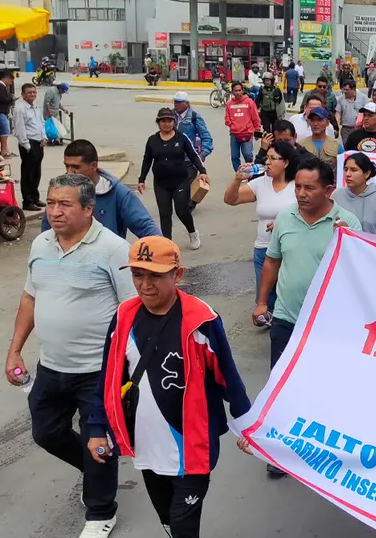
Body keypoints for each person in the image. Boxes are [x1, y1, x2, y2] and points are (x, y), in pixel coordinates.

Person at [86, 236, 252, 538]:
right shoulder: (124, 317)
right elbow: (108, 378)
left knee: (183, 531)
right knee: (169, 522)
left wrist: (249, 428)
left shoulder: (201, 320)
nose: (145, 285)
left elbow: (228, 377)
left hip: (192, 448)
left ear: (177, 274)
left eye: (155, 275)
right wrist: (97, 427)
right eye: (138, 274)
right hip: (147, 446)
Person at [5, 174, 134, 538]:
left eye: (65, 204)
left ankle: (101, 511)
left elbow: (131, 311)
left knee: (99, 440)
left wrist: (130, 369)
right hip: (51, 366)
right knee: (46, 432)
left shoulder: (112, 249)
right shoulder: (41, 243)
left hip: (98, 370)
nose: (55, 212)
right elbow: (30, 298)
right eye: (50, 203)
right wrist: (15, 348)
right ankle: (97, 471)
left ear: (88, 209)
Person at [254, 159, 361, 477]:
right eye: (298, 186)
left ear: (329, 190)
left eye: (308, 188)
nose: (300, 193)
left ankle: (327, 449)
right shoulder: (285, 217)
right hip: (287, 318)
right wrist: (262, 302)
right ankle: (280, 452)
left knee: (326, 387)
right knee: (281, 385)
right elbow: (272, 261)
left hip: (329, 325)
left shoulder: (348, 223)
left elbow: (359, 272)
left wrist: (349, 244)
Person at [224, 141, 298, 322]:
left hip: (290, 249)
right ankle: (274, 325)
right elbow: (231, 199)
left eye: (274, 159)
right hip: (263, 248)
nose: (268, 163)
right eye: (267, 158)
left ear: (286, 162)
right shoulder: (260, 183)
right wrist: (237, 179)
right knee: (266, 294)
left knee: (287, 292)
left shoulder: (297, 185)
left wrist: (283, 222)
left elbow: (309, 210)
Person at [44, 139, 160, 238]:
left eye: (75, 167)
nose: (69, 173)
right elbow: (47, 232)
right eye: (66, 166)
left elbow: (144, 226)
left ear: (94, 166)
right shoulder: (58, 192)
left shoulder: (118, 193)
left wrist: (164, 250)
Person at [137, 108, 209, 248]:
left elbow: (194, 155)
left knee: (182, 211)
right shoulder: (152, 140)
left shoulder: (181, 138)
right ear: (158, 122)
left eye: (169, 120)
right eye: (163, 120)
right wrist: (142, 179)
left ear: (174, 122)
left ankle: (192, 233)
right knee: (165, 214)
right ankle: (167, 243)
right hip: (161, 183)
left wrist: (202, 171)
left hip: (180, 181)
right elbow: (147, 160)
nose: (166, 124)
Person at [332, 152, 376, 238]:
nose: (348, 174)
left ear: (367, 173)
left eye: (353, 170)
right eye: (346, 169)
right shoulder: (337, 195)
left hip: (373, 250)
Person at [12, 83, 46, 211]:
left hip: (39, 142)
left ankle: (35, 197)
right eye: (29, 93)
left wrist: (44, 137)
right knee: (28, 173)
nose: (32, 94)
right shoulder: (20, 109)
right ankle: (27, 201)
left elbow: (41, 123)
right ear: (23, 95)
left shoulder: (36, 107)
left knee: (37, 172)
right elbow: (20, 129)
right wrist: (27, 145)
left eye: (34, 92)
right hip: (28, 143)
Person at [224, 82, 261, 172]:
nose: (238, 93)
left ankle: (250, 170)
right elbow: (227, 119)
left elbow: (255, 118)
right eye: (235, 91)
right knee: (234, 156)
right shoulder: (229, 104)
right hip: (234, 134)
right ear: (232, 92)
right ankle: (239, 173)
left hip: (247, 132)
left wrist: (257, 131)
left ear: (242, 91)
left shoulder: (250, 103)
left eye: (239, 90)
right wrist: (233, 125)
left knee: (247, 154)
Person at [0, 71, 14, 157]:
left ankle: (5, 149)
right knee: (5, 131)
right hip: (0, 112)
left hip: (2, 112)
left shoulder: (0, 86)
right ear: (6, 78)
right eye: (11, 81)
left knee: (5, 131)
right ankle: (4, 151)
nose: (11, 83)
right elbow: (3, 99)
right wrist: (11, 99)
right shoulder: (0, 86)